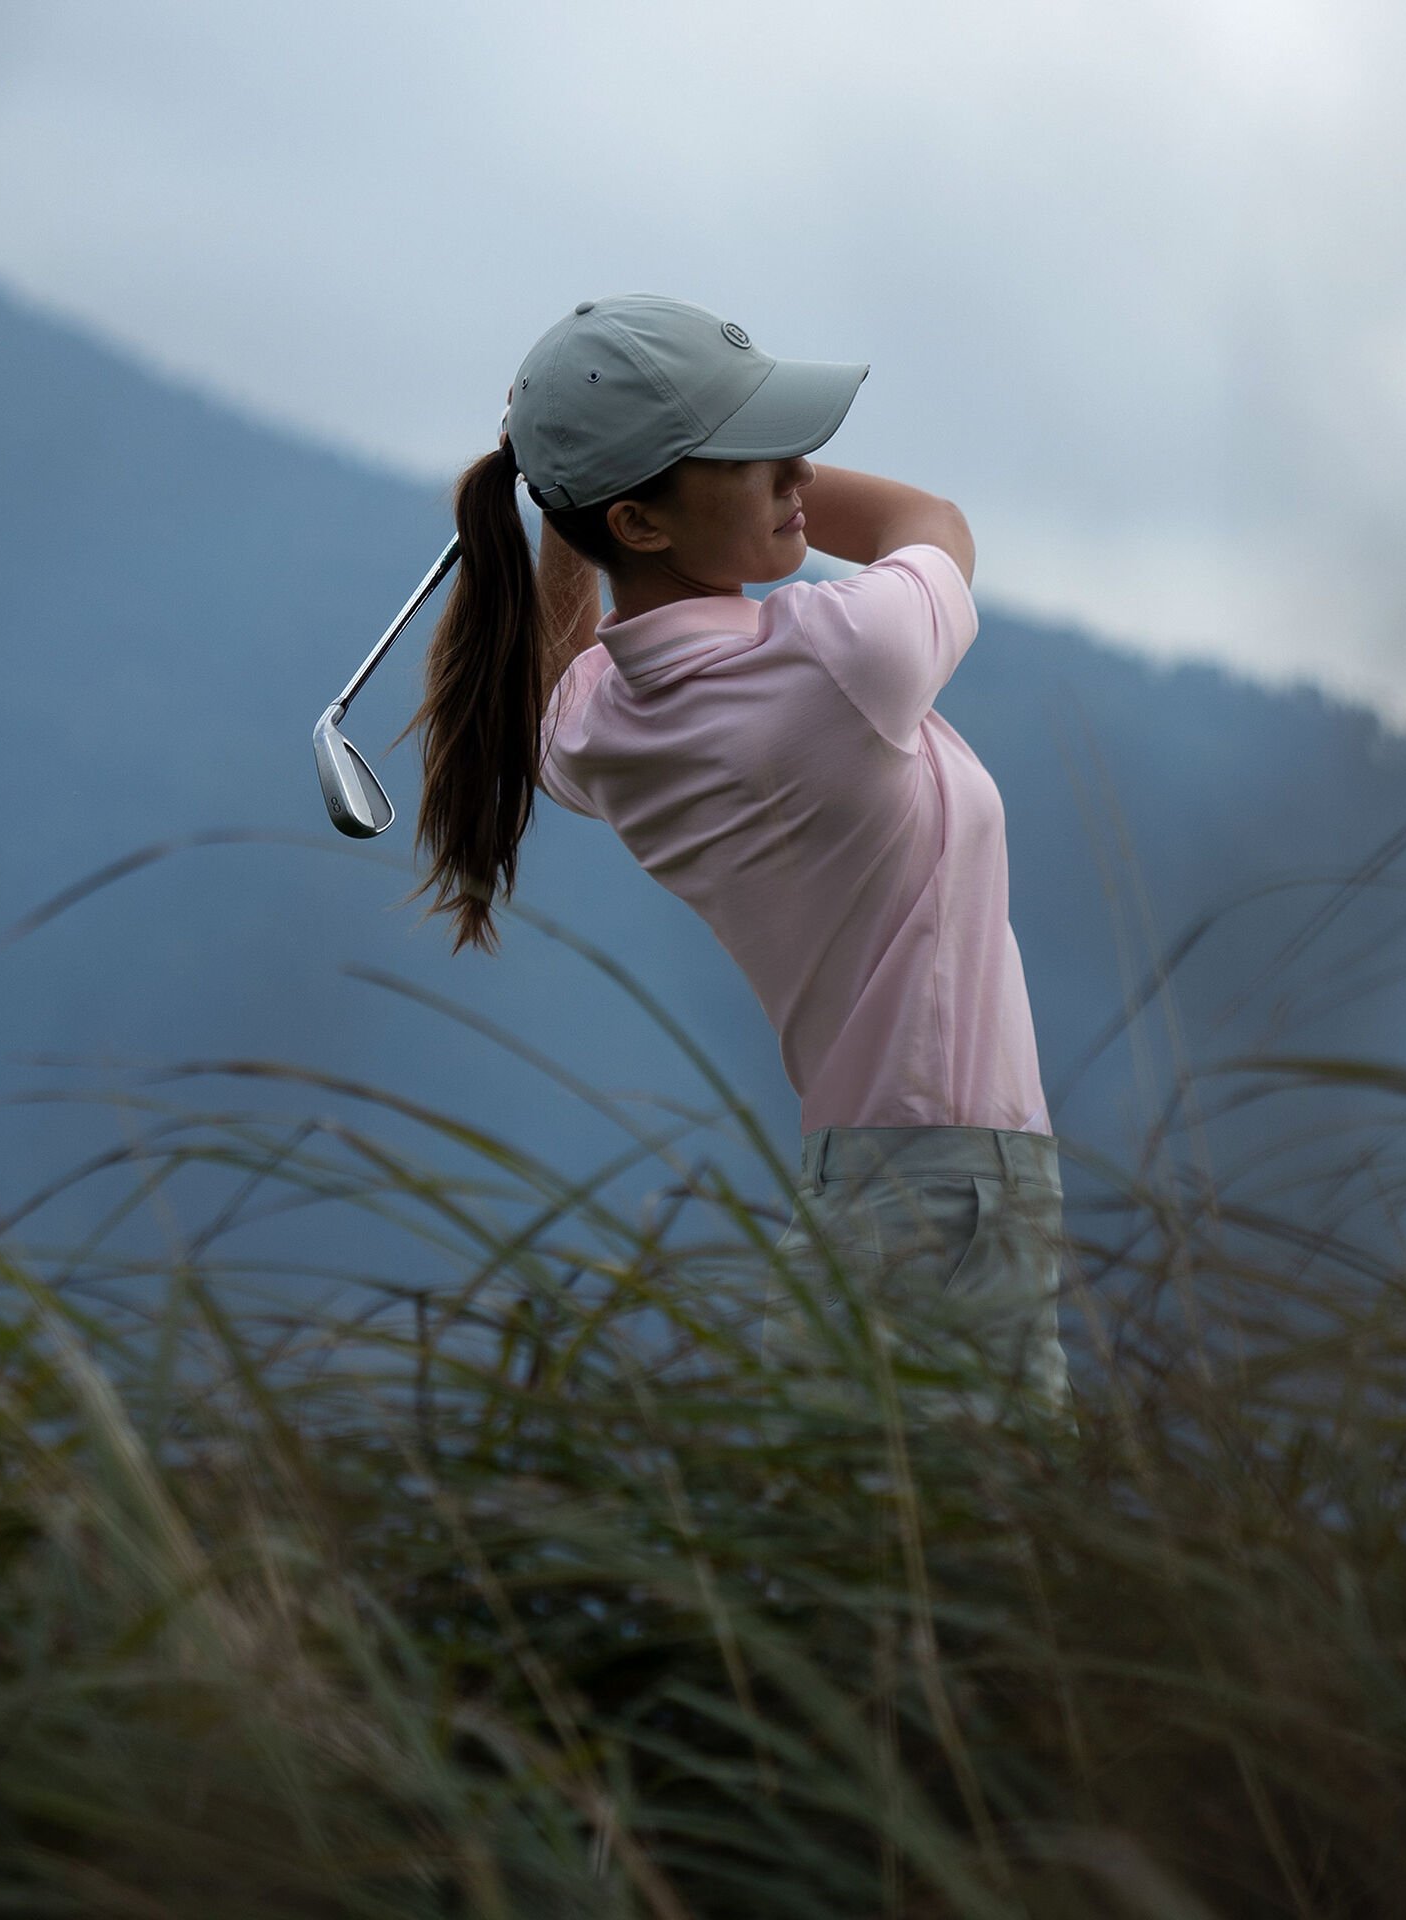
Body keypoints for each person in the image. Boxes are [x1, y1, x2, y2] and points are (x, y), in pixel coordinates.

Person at [401, 293, 1076, 1439]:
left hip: (859, 1196)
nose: (799, 468)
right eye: (750, 451)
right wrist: (560, 467)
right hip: (951, 1193)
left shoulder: (604, 727)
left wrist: (562, 478)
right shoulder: (841, 655)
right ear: (641, 522)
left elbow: (566, 649)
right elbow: (930, 516)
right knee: (1008, 1586)